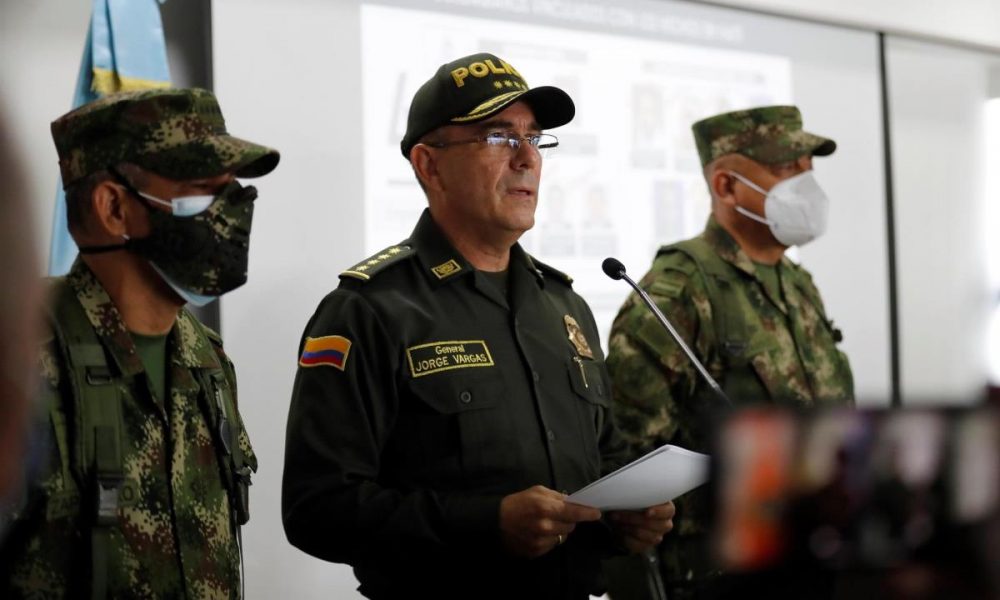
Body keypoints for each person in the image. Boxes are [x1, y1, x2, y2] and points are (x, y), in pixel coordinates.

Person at [282, 52, 675, 600]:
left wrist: (624, 517)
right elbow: (316, 509)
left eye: (533, 138)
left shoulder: (565, 306)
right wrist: (485, 523)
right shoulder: (370, 310)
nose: (526, 158)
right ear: (429, 165)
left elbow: (601, 458)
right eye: (498, 136)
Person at [0, 88, 279, 598]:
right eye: (204, 190)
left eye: (233, 190)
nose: (233, 211)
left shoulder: (207, 360)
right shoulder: (24, 360)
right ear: (114, 207)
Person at [604, 106, 855, 600]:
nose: (807, 185)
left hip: (809, 563)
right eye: (787, 169)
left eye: (808, 168)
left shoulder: (797, 283)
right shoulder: (679, 291)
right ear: (726, 186)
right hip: (716, 577)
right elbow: (626, 469)